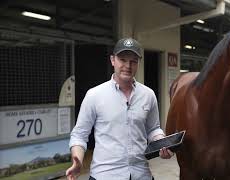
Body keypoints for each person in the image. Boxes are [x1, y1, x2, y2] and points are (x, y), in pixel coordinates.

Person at [66, 38, 174, 180]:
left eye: (133, 61)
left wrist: (162, 144)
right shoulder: (94, 95)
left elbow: (153, 129)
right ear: (113, 60)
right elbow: (79, 135)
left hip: (141, 174)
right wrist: (78, 160)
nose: (128, 65)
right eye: (122, 59)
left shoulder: (148, 95)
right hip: (105, 175)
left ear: (138, 63)